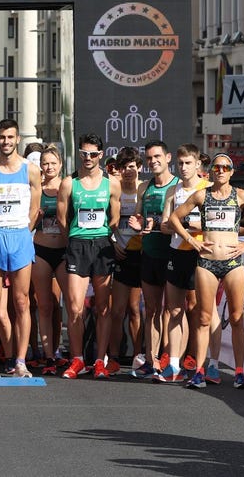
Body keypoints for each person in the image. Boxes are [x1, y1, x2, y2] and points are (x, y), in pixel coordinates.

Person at [169, 153, 244, 389]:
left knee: (236, 318)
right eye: (217, 167)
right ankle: (199, 371)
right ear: (211, 171)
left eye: (226, 167)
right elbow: (175, 218)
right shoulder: (201, 195)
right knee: (204, 318)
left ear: (231, 172)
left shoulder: (241, 195)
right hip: (206, 262)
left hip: (233, 263)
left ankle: (239, 372)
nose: (221, 170)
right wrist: (191, 240)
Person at [0, 119, 41, 379]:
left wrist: (23, 229)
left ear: (17, 139)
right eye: (2, 137)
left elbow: (34, 209)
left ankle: (21, 361)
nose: (6, 142)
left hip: (20, 236)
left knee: (21, 301)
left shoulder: (30, 170)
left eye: (10, 137)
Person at [56, 134, 121, 379]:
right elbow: (62, 219)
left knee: (103, 308)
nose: (88, 158)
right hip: (77, 245)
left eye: (93, 154)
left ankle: (99, 360)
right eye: (84, 154)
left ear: (101, 155)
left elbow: (114, 218)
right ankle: (77, 359)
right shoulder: (68, 183)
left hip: (102, 245)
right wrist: (75, 235)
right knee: (74, 307)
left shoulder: (111, 183)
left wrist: (102, 234)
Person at [157, 143, 208, 383]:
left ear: (198, 164)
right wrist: (183, 225)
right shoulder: (173, 191)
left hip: (200, 254)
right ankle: (173, 364)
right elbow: (165, 225)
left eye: (188, 163)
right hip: (176, 253)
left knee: (198, 311)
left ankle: (198, 364)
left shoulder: (207, 189)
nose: (184, 168)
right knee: (174, 309)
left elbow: (212, 226)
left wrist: (186, 226)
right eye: (181, 163)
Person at [128, 141, 178, 379]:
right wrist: (137, 223)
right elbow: (140, 216)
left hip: (173, 253)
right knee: (151, 309)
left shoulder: (178, 186)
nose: (153, 161)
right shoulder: (144, 187)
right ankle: (151, 359)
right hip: (149, 253)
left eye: (157, 156)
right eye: (149, 158)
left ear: (168, 158)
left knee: (174, 309)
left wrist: (158, 224)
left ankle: (172, 359)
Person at [32, 145, 67, 375]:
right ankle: (48, 355)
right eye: (45, 163)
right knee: (44, 306)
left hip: (64, 250)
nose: (49, 167)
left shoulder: (68, 187)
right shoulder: (36, 189)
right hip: (42, 249)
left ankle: (71, 353)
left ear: (61, 165)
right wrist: (37, 216)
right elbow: (29, 222)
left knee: (72, 306)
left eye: (53, 163)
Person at [109, 147, 144, 375]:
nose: (128, 171)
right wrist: (114, 243)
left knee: (135, 309)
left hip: (141, 252)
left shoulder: (145, 188)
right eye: (124, 167)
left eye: (132, 166)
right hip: (120, 251)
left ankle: (138, 356)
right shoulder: (115, 189)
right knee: (117, 310)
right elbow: (107, 220)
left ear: (139, 167)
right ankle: (112, 357)